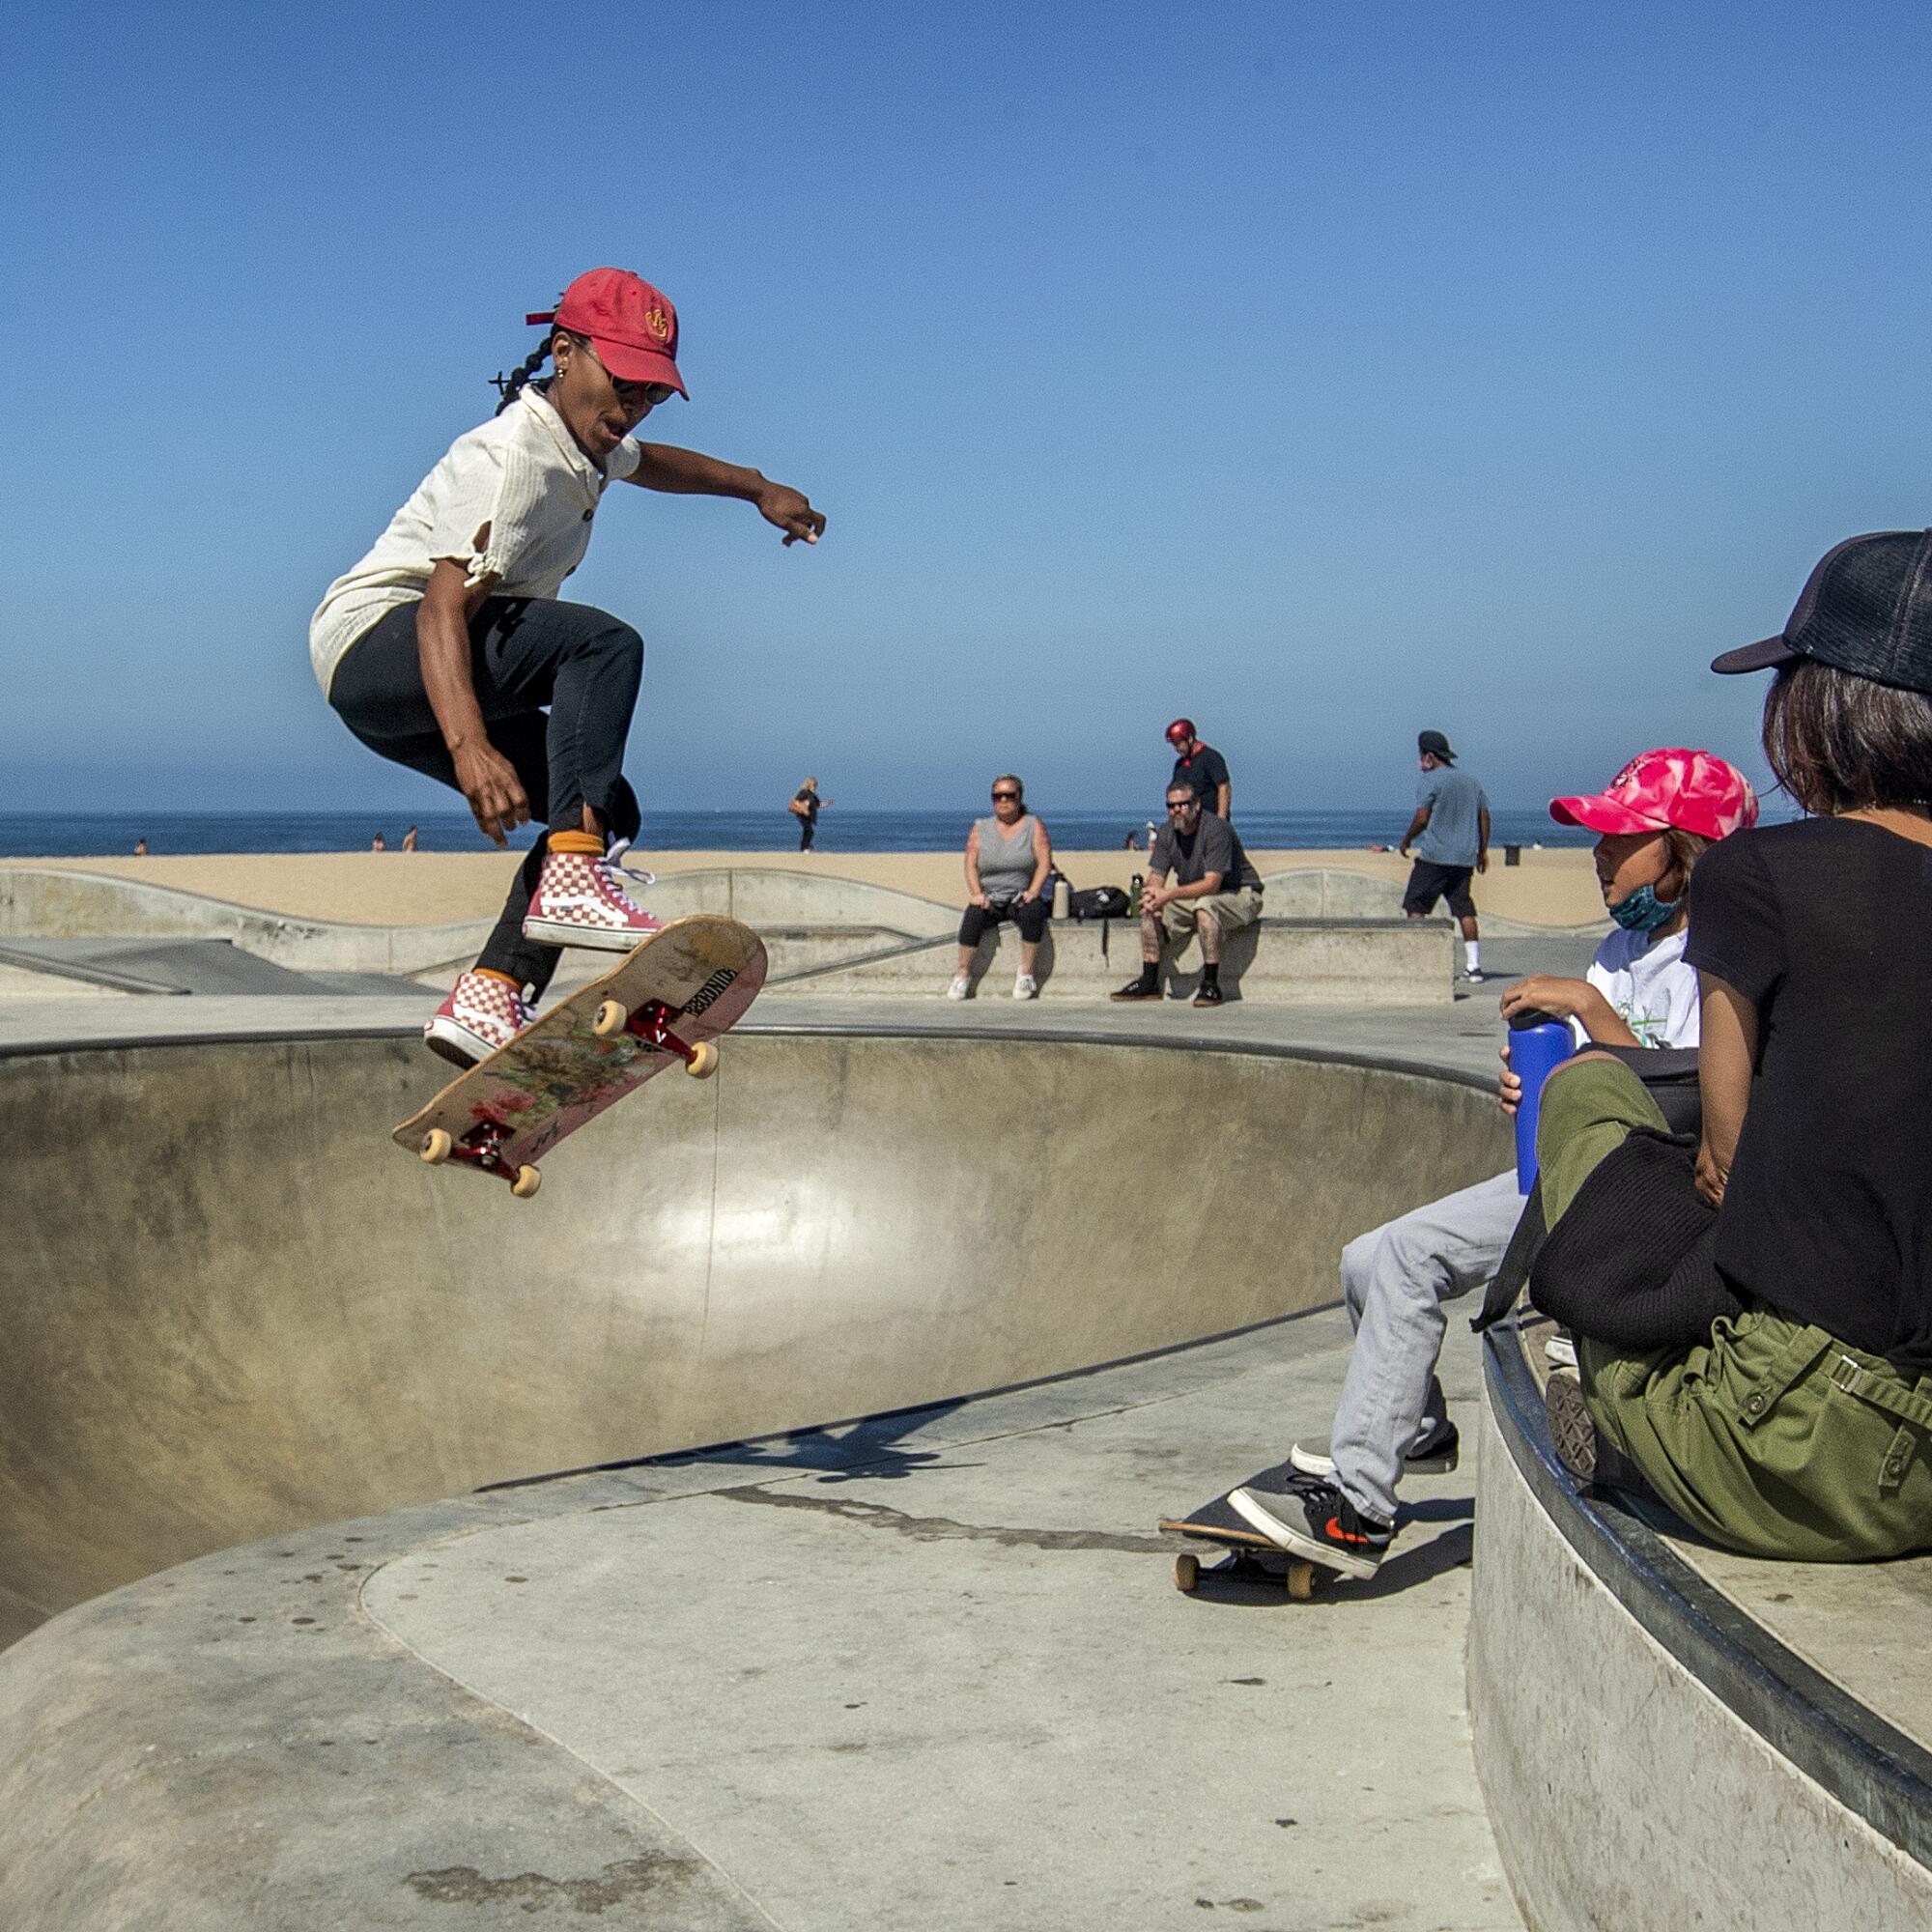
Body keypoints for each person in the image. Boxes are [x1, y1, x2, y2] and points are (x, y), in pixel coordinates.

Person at [1225, 749, 1758, 1580]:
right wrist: (1535, 1093)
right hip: (1573, 1176)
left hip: (1645, 1197)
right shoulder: (1619, 950)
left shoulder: (1721, 963)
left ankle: (1359, 1513)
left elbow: (1682, 1106)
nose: (1600, 854)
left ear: (1687, 850)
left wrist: (1588, 1012)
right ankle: (1418, 1429)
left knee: (1409, 1258)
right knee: (1365, 1257)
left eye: (1622, 838)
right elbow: (1592, 1082)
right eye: (1600, 838)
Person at [308, 268, 824, 1066]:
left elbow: (656, 465)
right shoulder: (510, 459)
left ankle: (492, 989)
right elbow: (442, 609)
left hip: (408, 688)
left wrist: (756, 489)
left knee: (602, 803)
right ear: (564, 353)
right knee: (602, 645)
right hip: (377, 644)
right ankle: (575, 878)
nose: (631, 411)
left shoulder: (585, 444)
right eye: (622, 386)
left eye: (651, 394)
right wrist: (470, 747)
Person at [1539, 531, 1932, 1561]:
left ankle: (1601, 1395)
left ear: (1822, 704)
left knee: (1588, 1089)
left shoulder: (1760, 873)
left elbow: (1724, 1160)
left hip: (1797, 1446)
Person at [1110, 783, 1264, 1008]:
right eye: (1171, 806)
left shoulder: (1216, 830)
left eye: (1183, 804)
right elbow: (1157, 874)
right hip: (1196, 895)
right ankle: (1149, 982)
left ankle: (1211, 984)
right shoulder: (1166, 832)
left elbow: (1212, 884)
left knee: (1205, 907)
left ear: (1197, 805)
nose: (1177, 811)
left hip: (1240, 894)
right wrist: (1151, 895)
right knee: (1150, 913)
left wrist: (1168, 894)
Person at [947, 775, 1053, 1000]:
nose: (1003, 801)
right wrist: (976, 894)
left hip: (1019, 896)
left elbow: (1044, 862)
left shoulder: (1033, 826)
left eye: (1009, 796)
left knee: (1034, 913)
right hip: (991, 897)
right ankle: (962, 974)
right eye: (997, 796)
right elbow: (970, 864)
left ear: (1019, 798)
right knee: (973, 916)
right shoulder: (980, 828)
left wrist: (1033, 891)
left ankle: (1026, 972)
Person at [1399, 730, 1490, 980]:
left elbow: (1422, 817)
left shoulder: (1431, 780)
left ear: (1429, 756)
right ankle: (1474, 966)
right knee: (1464, 909)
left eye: (1420, 756)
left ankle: (1418, 961)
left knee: (1416, 906)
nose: (1419, 763)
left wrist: (1407, 839)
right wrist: (1482, 850)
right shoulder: (1471, 781)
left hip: (1435, 856)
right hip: (1463, 858)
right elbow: (1484, 815)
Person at [1165, 719, 1232, 818]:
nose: (1176, 749)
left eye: (1178, 744)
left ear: (1190, 738)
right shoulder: (1180, 765)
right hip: (1187, 823)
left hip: (1209, 821)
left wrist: (1220, 820)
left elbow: (1224, 788)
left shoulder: (1210, 757)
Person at [789, 778, 831, 853]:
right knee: (809, 831)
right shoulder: (804, 792)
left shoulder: (813, 795)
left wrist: (827, 803)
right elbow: (796, 801)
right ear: (809, 784)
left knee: (808, 831)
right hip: (802, 815)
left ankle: (806, 847)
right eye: (814, 785)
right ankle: (805, 848)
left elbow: (818, 804)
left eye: (815, 785)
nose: (815, 787)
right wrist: (804, 810)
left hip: (809, 816)